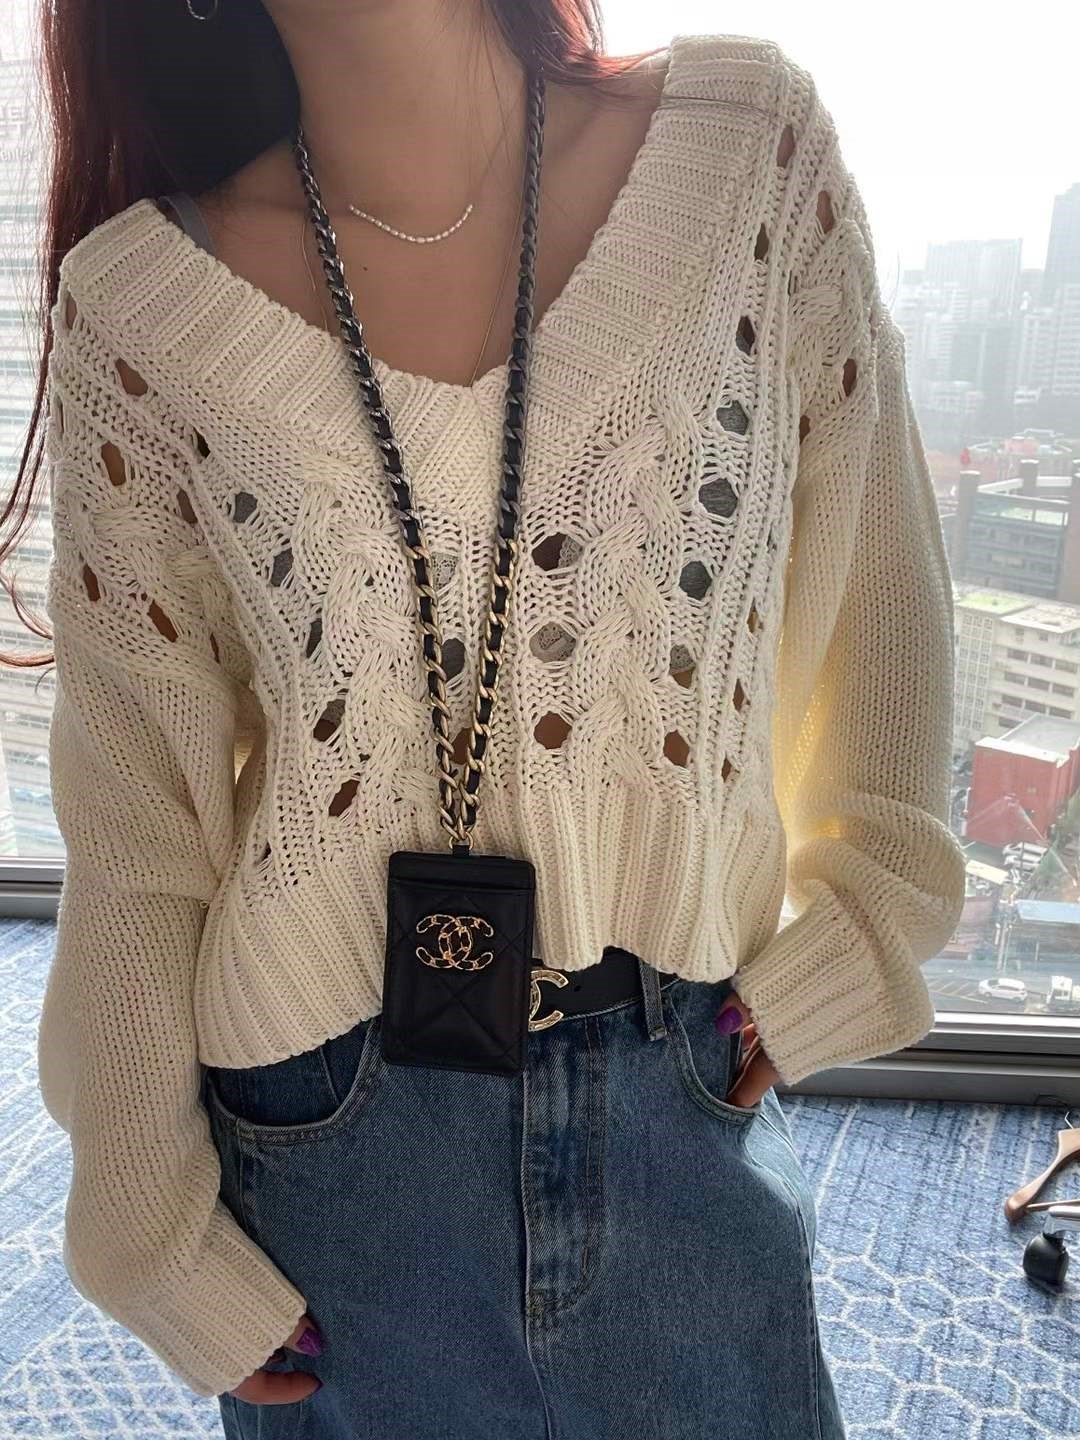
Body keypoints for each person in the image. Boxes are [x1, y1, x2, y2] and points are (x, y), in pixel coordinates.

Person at [21, 1, 967, 1435]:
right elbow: (140, 831)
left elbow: (883, 596)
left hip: (681, 1080)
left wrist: (871, 918)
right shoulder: (139, 311)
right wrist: (145, 1220)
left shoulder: (750, 158)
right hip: (329, 1152)